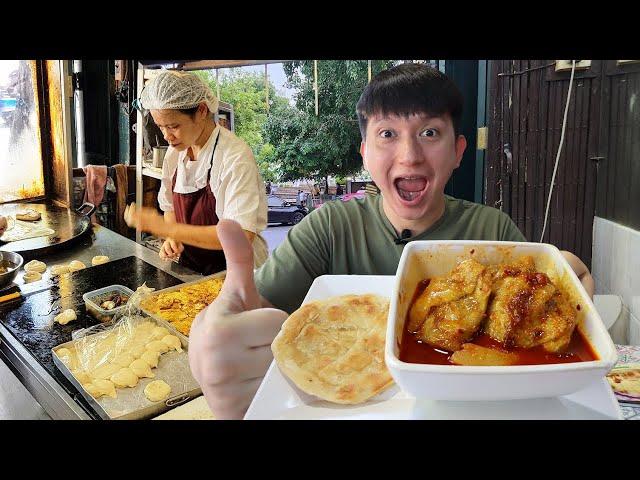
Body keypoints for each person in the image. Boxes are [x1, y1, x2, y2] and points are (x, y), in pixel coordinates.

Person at [188, 63, 595, 419]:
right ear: (364, 153)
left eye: (430, 132)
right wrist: (213, 351)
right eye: (387, 134)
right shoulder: (328, 229)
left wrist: (572, 283)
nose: (410, 155)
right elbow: (253, 314)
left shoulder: (494, 232)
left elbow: (548, 320)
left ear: (458, 152)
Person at [124, 70, 268, 275]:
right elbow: (170, 208)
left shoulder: (234, 157)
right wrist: (174, 239)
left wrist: (166, 229)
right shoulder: (175, 154)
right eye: (160, 127)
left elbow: (240, 236)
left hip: (235, 272)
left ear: (201, 111)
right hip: (192, 270)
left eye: (173, 126)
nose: (167, 136)